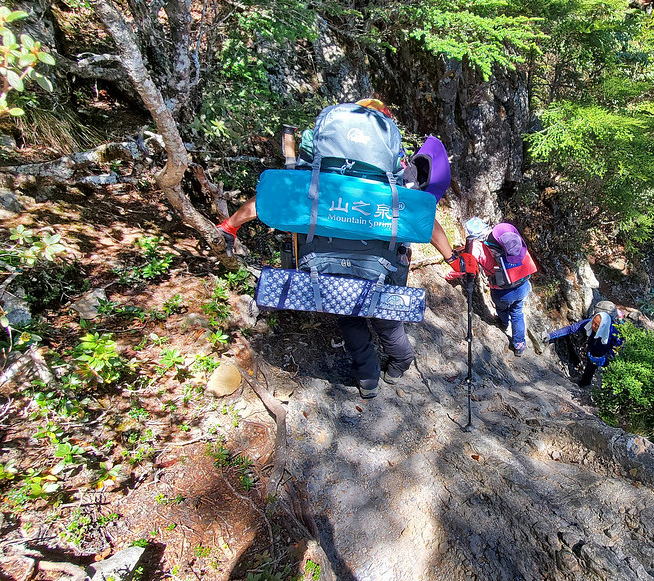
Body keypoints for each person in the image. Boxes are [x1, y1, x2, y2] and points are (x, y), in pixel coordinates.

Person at [218, 98, 457, 399]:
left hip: (323, 261)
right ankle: (399, 363)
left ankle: (368, 379)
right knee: (387, 318)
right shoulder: (391, 184)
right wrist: (451, 257)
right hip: (381, 264)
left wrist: (230, 226)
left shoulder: (315, 181)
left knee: (349, 315)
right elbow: (425, 220)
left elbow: (270, 200)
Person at [451, 218, 537, 356]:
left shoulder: (477, 247)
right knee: (517, 313)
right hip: (522, 285)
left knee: (502, 309)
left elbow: (467, 267)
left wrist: (450, 275)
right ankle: (519, 345)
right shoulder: (506, 240)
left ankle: (503, 323)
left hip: (502, 292)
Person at [545, 302, 624, 387]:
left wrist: (606, 360)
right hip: (592, 353)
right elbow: (571, 329)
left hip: (605, 357)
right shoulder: (589, 323)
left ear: (603, 326)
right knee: (589, 370)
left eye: (597, 325)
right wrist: (550, 335)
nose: (593, 326)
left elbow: (618, 350)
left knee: (608, 378)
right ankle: (584, 383)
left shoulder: (614, 333)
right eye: (593, 323)